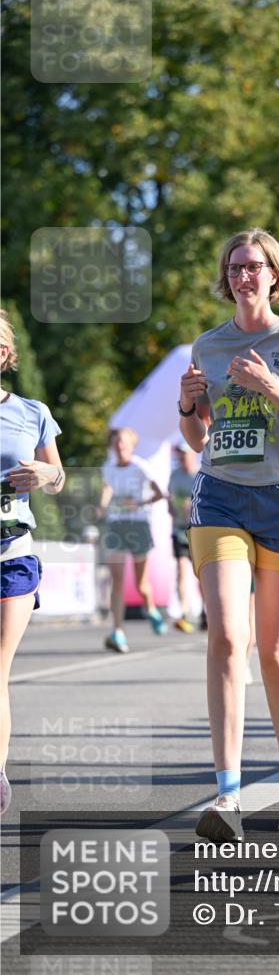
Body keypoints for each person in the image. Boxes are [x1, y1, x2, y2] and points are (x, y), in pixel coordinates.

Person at [179, 228, 279, 842]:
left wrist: (270, 388)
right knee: (227, 635)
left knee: (273, 647)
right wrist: (190, 406)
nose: (244, 276)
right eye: (235, 267)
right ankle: (226, 796)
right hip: (220, 495)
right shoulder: (208, 345)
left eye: (254, 266)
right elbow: (200, 441)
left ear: (275, 274)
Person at [0, 309, 65, 814]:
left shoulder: (31, 411)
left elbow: (59, 477)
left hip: (12, 551)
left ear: (4, 355)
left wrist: (44, 474)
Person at [98, 427, 167, 653]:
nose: (120, 446)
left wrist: (139, 504)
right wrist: (102, 505)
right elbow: (107, 488)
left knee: (141, 585)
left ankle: (152, 610)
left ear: (131, 445)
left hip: (138, 525)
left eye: (124, 443)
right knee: (116, 580)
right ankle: (118, 631)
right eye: (116, 442)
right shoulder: (107, 467)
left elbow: (159, 493)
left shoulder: (140, 466)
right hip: (116, 525)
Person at [168, 441, 202, 633]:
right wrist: (173, 508)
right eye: (178, 455)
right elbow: (170, 500)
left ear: (192, 454)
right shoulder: (174, 476)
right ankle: (184, 613)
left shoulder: (200, 474)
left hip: (198, 530)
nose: (181, 458)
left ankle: (206, 611)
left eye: (184, 454)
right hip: (179, 529)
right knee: (181, 570)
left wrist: (192, 504)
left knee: (201, 575)